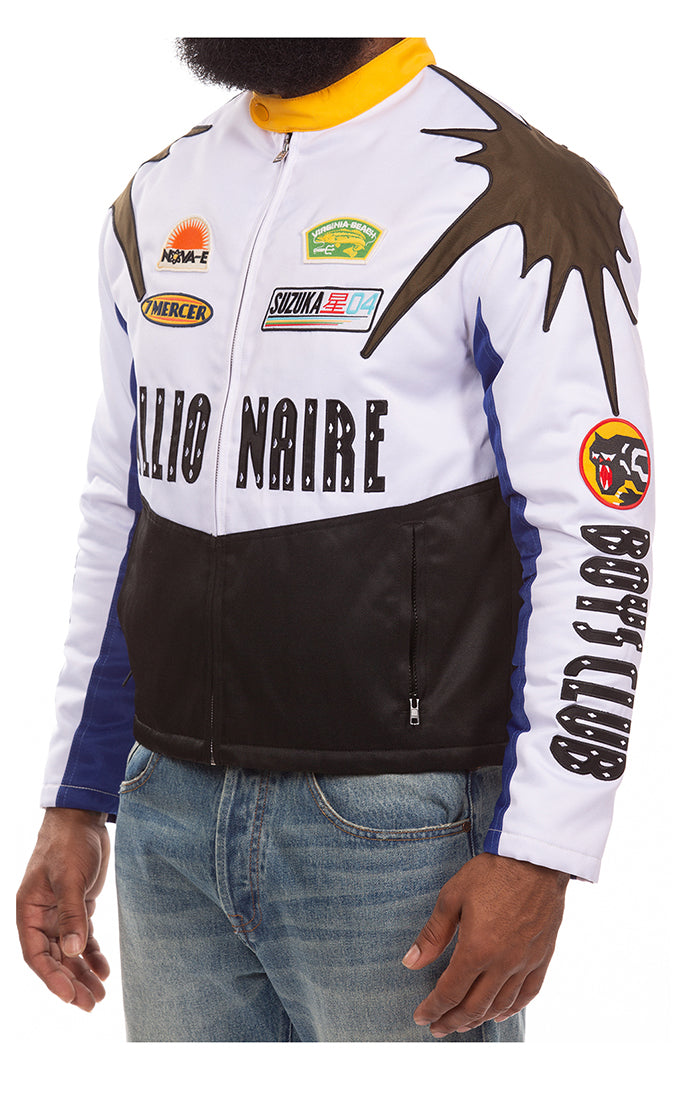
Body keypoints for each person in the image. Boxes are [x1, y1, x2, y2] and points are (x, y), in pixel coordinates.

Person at [16, 37, 653, 1042]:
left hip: (397, 828)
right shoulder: (156, 195)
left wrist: (543, 846)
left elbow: (597, 532)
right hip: (162, 808)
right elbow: (121, 506)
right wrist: (76, 792)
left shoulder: (521, 197)